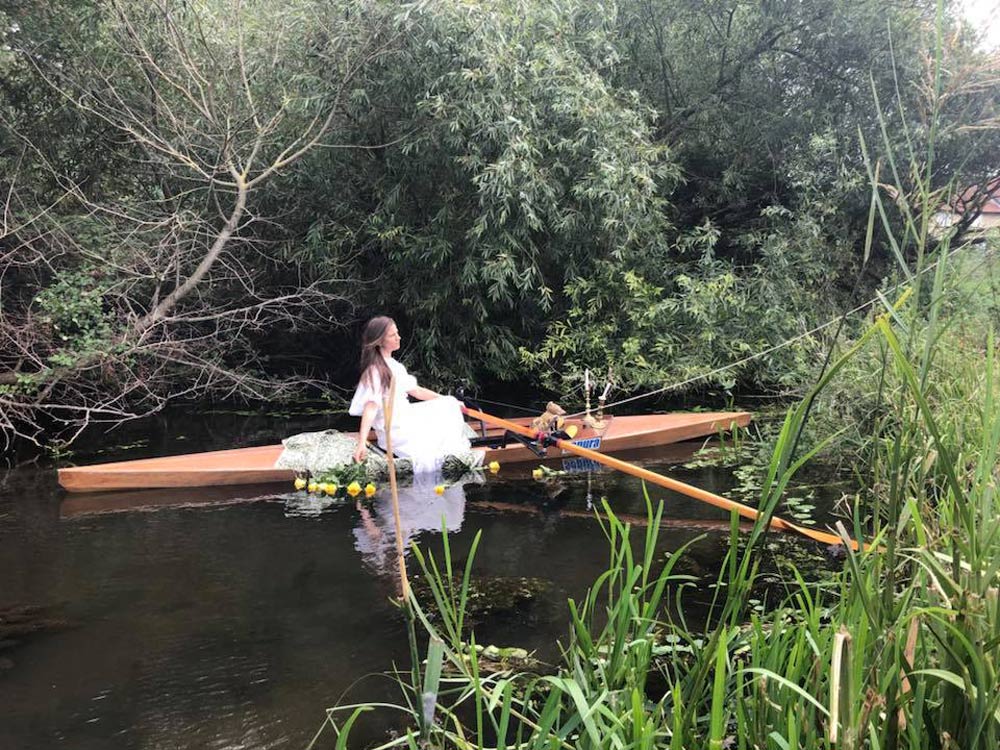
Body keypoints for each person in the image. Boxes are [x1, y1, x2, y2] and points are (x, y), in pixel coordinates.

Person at [349, 316, 474, 472]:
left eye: (397, 333)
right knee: (442, 415)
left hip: (405, 417)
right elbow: (371, 407)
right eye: (392, 335)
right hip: (395, 428)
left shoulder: (396, 366)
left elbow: (417, 391)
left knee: (448, 403)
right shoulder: (375, 370)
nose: (398, 337)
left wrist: (450, 401)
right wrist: (362, 442)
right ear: (380, 341)